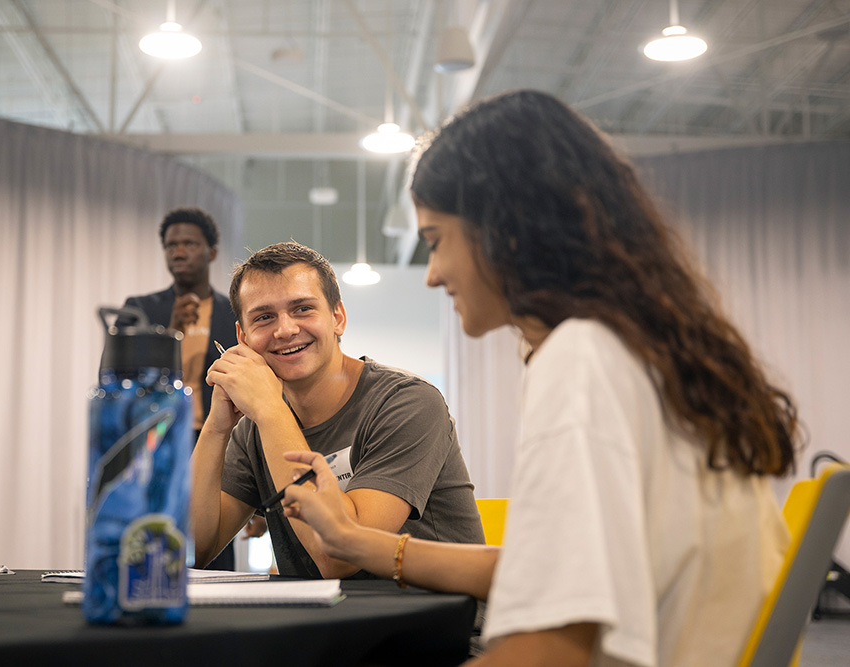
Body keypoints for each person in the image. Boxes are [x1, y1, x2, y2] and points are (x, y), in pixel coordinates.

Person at [277, 91, 799, 666]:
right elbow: (549, 570)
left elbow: (554, 646)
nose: (432, 274)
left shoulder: (581, 361)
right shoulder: (639, 351)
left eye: (436, 241)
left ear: (506, 229)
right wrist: (358, 542)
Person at [190, 241, 484, 579]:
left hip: (429, 624)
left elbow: (341, 559)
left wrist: (271, 410)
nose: (285, 329)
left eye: (302, 309)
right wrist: (216, 427)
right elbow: (193, 549)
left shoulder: (408, 402)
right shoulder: (254, 428)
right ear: (243, 338)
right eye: (264, 317)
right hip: (327, 625)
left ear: (337, 318)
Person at [116, 206, 257, 570]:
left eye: (189, 244)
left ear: (211, 252)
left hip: (219, 438)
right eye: (171, 244)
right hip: (155, 440)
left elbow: (255, 380)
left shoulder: (235, 313)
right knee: (149, 537)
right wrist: (166, 334)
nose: (178, 251)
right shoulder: (140, 310)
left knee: (212, 536)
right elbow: (115, 378)